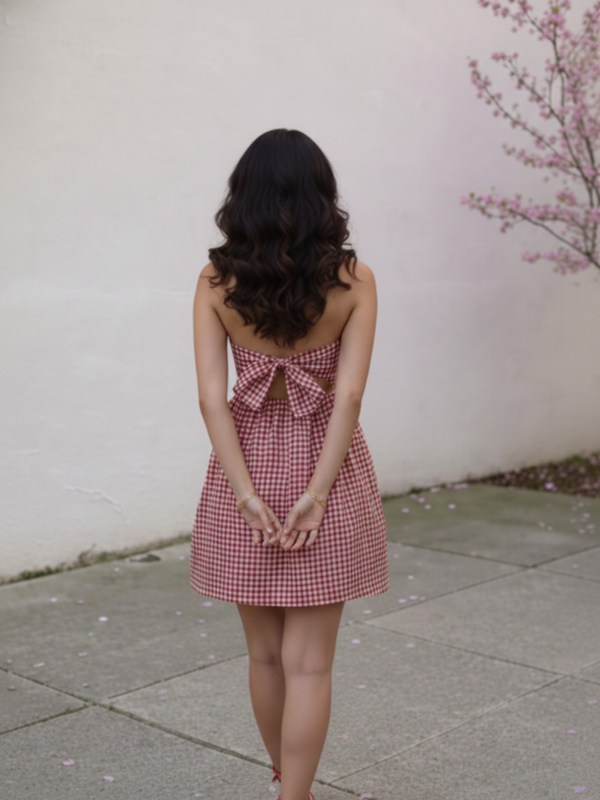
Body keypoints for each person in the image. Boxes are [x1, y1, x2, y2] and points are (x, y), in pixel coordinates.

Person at [190, 129, 389, 800]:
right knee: (309, 665)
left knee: (266, 655)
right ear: (319, 197)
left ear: (241, 197)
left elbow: (210, 400)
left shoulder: (217, 280)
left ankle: (283, 780)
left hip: (244, 460)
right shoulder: (352, 279)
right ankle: (294, 796)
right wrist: (320, 493)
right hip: (324, 459)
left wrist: (245, 495)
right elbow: (351, 395)